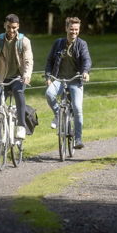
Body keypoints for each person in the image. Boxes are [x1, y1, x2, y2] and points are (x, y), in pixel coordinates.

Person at [0, 14, 33, 155]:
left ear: (18, 27)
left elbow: (28, 60)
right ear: (4, 25)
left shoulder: (24, 41)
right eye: (8, 27)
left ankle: (21, 126)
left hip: (18, 78)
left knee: (19, 93)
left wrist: (27, 75)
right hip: (1, 79)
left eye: (14, 27)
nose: (11, 30)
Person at [45, 17, 92, 149]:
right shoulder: (58, 43)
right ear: (66, 28)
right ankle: (58, 115)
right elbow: (49, 61)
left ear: (79, 30)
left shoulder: (82, 44)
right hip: (59, 79)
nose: (73, 32)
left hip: (75, 80)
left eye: (76, 29)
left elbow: (86, 60)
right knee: (49, 94)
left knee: (77, 108)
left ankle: (78, 139)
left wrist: (85, 72)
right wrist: (48, 76)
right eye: (71, 29)